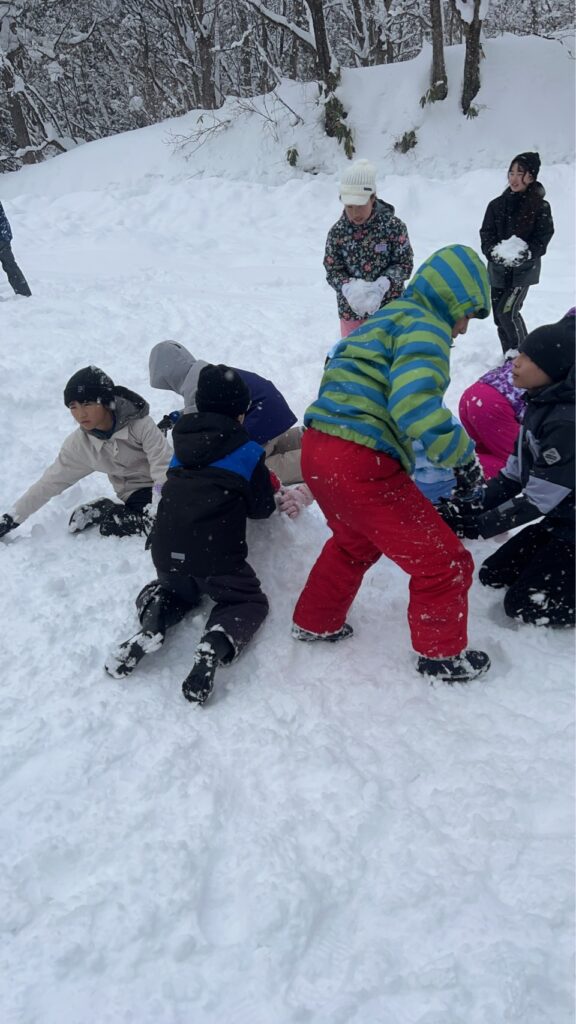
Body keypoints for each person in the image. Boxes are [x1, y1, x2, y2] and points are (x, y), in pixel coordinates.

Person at [291, 244, 492, 684]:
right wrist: (462, 459)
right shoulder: (426, 325)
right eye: (467, 314)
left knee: (353, 543)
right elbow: (414, 403)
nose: (463, 328)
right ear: (452, 299)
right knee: (444, 562)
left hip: (318, 448)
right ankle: (441, 656)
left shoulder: (384, 319)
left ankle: (315, 620)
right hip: (360, 459)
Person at [105, 364, 276, 705]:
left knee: (172, 592)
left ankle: (152, 627)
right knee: (246, 601)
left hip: (166, 549)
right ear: (240, 413)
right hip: (216, 558)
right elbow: (262, 508)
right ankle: (214, 643)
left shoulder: (180, 447)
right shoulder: (247, 451)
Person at [439, 313, 575, 628]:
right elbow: (511, 477)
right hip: (562, 518)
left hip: (569, 524)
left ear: (553, 370)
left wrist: (474, 526)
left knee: (523, 606)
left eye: (529, 359)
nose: (516, 361)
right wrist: (464, 508)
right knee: (493, 574)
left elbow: (537, 500)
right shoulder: (539, 403)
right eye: (520, 353)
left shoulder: (566, 425)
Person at [0, 366, 171, 541]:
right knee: (129, 526)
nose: (81, 414)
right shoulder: (79, 446)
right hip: (135, 493)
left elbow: (163, 467)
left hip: (169, 484)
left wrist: (159, 505)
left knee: (174, 517)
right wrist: (10, 519)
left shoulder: (141, 425)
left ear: (106, 402)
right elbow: (49, 483)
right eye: (73, 407)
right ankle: (109, 510)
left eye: (88, 404)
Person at [149, 339, 312, 517]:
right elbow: (204, 409)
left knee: (252, 467)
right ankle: (304, 439)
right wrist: (176, 416)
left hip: (258, 416)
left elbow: (201, 424)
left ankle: (311, 460)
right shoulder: (206, 373)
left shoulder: (193, 387)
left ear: (169, 377)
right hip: (268, 411)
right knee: (268, 443)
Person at [324, 159, 414, 338]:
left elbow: (404, 264)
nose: (355, 213)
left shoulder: (393, 227)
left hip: (390, 310)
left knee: (389, 352)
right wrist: (348, 288)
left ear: (373, 198)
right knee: (355, 354)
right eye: (349, 206)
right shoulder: (337, 233)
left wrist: (384, 284)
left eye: (360, 206)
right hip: (351, 313)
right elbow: (333, 270)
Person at [480, 152, 554, 356]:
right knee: (499, 317)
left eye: (519, 173)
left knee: (508, 312)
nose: (513, 178)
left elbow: (543, 238)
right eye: (511, 173)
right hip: (498, 270)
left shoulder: (540, 207)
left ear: (531, 176)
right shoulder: (496, 205)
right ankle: (509, 355)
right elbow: (486, 234)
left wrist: (526, 253)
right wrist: (493, 252)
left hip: (523, 271)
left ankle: (523, 355)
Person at [458, 358, 527, 478]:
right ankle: (447, 475)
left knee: (483, 452)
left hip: (477, 392)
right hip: (495, 406)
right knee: (518, 464)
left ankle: (442, 471)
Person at [0, 200, 31, 297]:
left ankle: (24, 293)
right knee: (10, 265)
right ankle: (24, 293)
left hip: (2, 237)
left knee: (10, 265)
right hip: (3, 236)